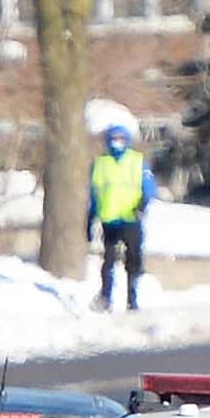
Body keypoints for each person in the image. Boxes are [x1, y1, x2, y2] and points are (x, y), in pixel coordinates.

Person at [87, 125, 157, 314]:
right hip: (109, 220)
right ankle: (105, 297)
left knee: (134, 259)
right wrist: (90, 218)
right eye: (113, 138)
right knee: (108, 261)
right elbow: (94, 194)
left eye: (120, 138)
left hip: (131, 218)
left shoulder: (137, 161)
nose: (116, 142)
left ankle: (131, 298)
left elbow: (149, 188)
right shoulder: (100, 164)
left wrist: (142, 206)